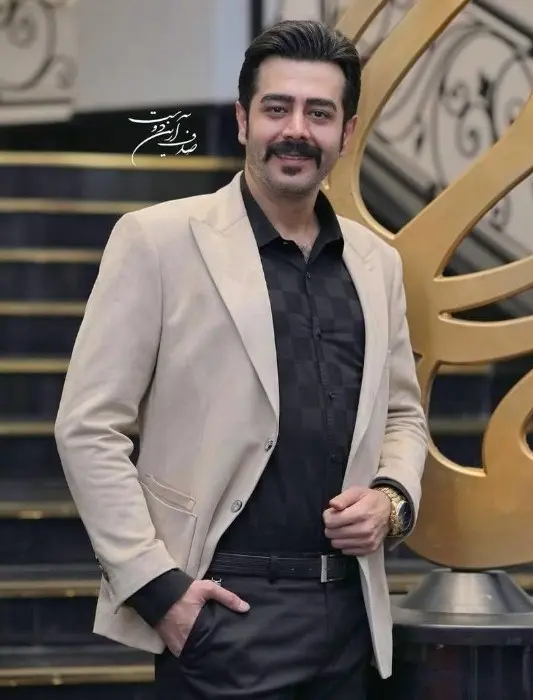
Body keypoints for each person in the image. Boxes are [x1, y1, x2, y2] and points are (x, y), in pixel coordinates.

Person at [54, 18, 427, 700]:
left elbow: (403, 413)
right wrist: (157, 589)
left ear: (346, 133)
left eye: (319, 113)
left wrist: (392, 499)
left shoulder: (378, 263)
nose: (296, 130)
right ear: (242, 120)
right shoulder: (157, 240)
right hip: (221, 609)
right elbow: (88, 427)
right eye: (277, 108)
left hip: (351, 614)